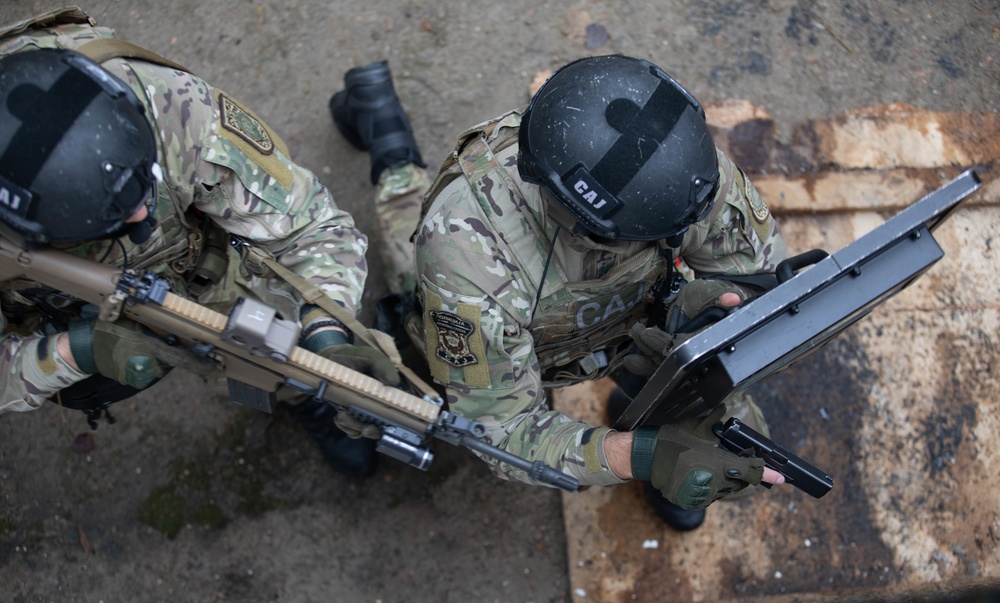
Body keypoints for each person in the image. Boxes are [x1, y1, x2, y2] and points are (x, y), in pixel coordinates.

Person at [329, 54, 787, 531]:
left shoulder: (681, 177)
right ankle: (383, 127)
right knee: (412, 268)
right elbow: (503, 431)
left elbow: (763, 277)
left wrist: (709, 324)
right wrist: (640, 455)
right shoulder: (467, 255)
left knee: (738, 454)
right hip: (506, 335)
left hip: (641, 334)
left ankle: (645, 397)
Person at [0, 8, 395, 479]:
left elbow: (312, 226)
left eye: (141, 181)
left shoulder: (167, 107)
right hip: (62, 315)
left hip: (200, 266)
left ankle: (296, 389)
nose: (142, 212)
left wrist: (327, 333)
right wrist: (72, 352)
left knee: (272, 329)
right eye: (110, 216)